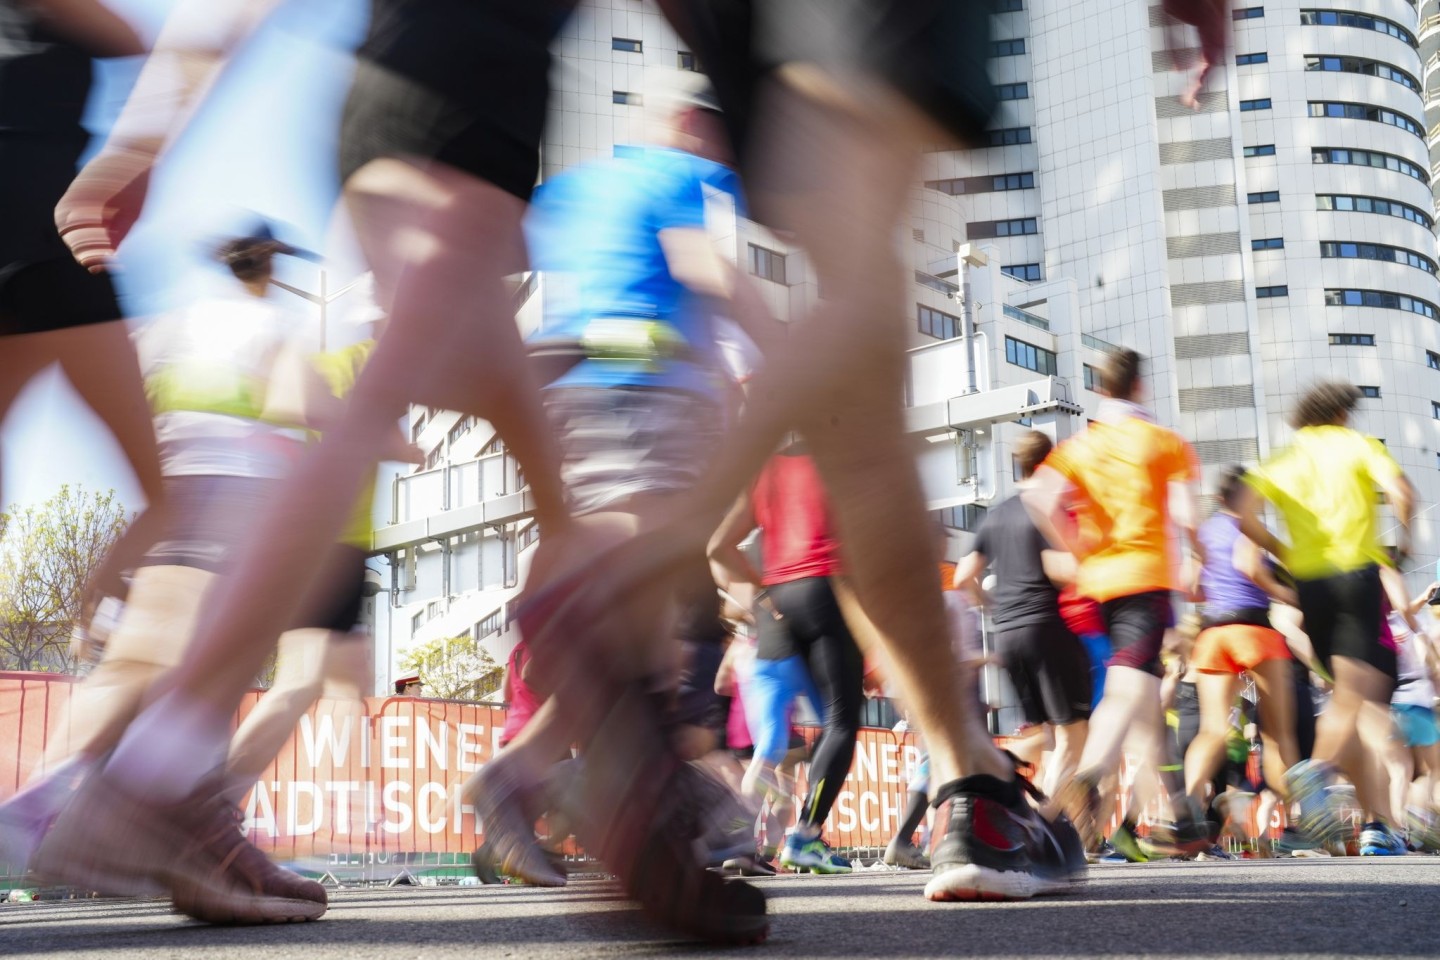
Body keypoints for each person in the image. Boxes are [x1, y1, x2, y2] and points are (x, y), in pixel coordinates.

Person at [0, 2, 166, 675]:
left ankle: (93, 630)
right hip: (46, 237)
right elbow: (145, 49)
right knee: (162, 493)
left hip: (45, 238)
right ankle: (93, 632)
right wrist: (133, 158)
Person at [1025, 348, 1210, 856]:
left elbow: (1039, 498)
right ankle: (1086, 780)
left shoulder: (1083, 445)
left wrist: (1073, 546)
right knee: (1130, 689)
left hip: (1099, 583)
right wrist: (1198, 560)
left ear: (1101, 389)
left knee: (1145, 703)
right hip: (1147, 577)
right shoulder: (1164, 441)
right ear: (1140, 388)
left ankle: (1176, 823)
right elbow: (1188, 516)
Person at [1237, 380, 1416, 857]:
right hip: (1354, 574)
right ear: (1340, 413)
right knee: (1362, 698)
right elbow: (1402, 491)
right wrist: (1407, 540)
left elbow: (1246, 516)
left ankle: (1376, 825)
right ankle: (1317, 771)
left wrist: (1285, 552)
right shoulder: (1354, 445)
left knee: (1350, 700)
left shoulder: (1284, 457)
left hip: (1310, 588)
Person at [710, 442, 864, 875]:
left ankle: (742, 835)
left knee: (775, 745)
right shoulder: (841, 457)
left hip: (777, 606)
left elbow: (717, 548)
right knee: (839, 721)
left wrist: (757, 598)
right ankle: (806, 835)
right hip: (826, 588)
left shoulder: (765, 470)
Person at [953, 429, 1091, 820]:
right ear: (1050, 463)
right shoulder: (1049, 509)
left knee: (1048, 736)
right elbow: (1065, 570)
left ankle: (1010, 781)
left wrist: (992, 605)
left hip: (1009, 632)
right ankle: (1035, 825)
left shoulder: (995, 514)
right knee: (1075, 735)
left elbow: (964, 576)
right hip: (1048, 625)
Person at [1183, 465, 1302, 833]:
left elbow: (1191, 588)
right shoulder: (1249, 525)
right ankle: (1295, 825)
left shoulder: (1206, 532)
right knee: (1278, 734)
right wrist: (1289, 595)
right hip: (1254, 630)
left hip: (1214, 633)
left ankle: (1185, 814)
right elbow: (1248, 566)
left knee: (1212, 730)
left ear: (1220, 498)